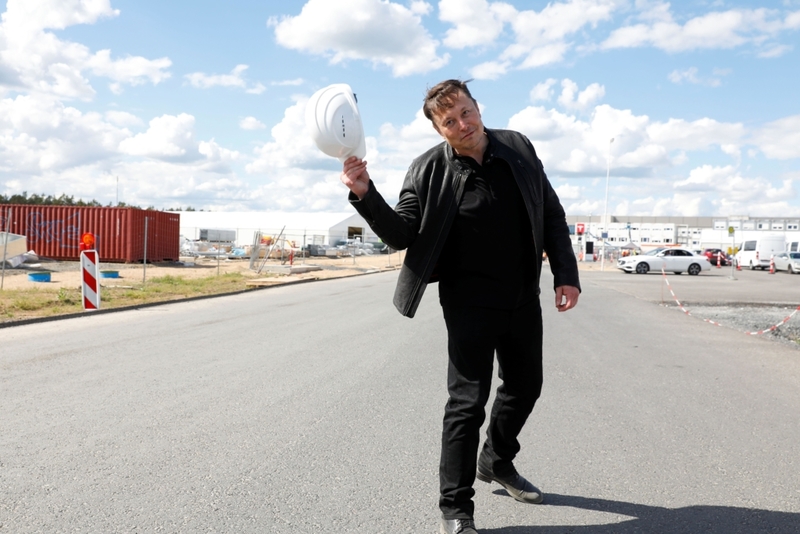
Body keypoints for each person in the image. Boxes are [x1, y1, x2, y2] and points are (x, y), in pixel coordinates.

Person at [340, 79, 580, 534]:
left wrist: (566, 274)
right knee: (467, 403)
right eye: (449, 121)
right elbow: (403, 234)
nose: (462, 124)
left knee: (526, 386)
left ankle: (497, 460)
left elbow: (550, 211)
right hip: (468, 303)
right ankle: (456, 510)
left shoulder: (519, 147)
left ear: (477, 108)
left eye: (466, 112)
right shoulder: (426, 170)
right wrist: (365, 193)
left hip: (523, 296)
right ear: (438, 129)